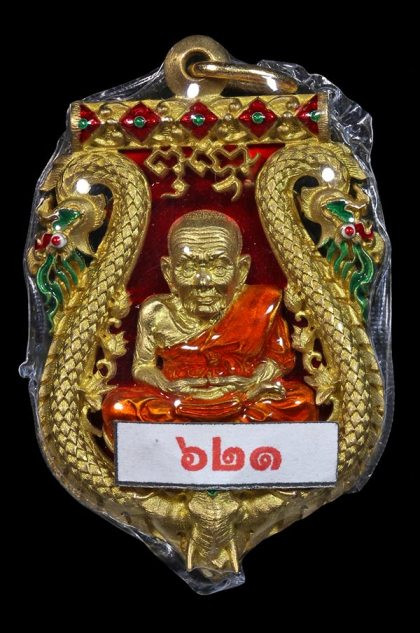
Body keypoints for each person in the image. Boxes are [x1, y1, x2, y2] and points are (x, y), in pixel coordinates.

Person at [102, 210, 317, 447]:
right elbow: (143, 366)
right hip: (177, 397)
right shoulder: (156, 311)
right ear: (168, 272)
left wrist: (253, 383)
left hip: (244, 394)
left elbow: (278, 360)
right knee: (118, 406)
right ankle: (226, 439)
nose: (203, 282)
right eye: (188, 268)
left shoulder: (261, 305)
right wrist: (167, 386)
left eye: (219, 267)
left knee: (301, 402)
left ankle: (197, 441)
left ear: (241, 270)